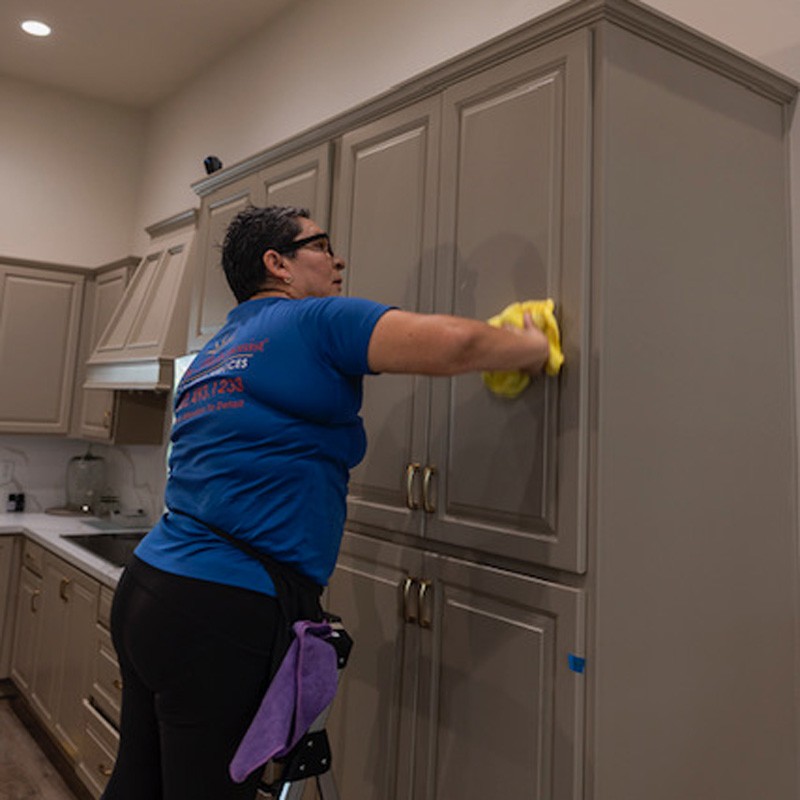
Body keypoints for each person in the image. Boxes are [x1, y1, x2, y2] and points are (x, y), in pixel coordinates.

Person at [101, 205, 550, 800]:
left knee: (136, 782)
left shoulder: (213, 354)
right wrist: (533, 345)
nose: (337, 260)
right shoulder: (314, 322)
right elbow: (458, 345)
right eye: (321, 245)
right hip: (222, 608)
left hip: (149, 588)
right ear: (277, 264)